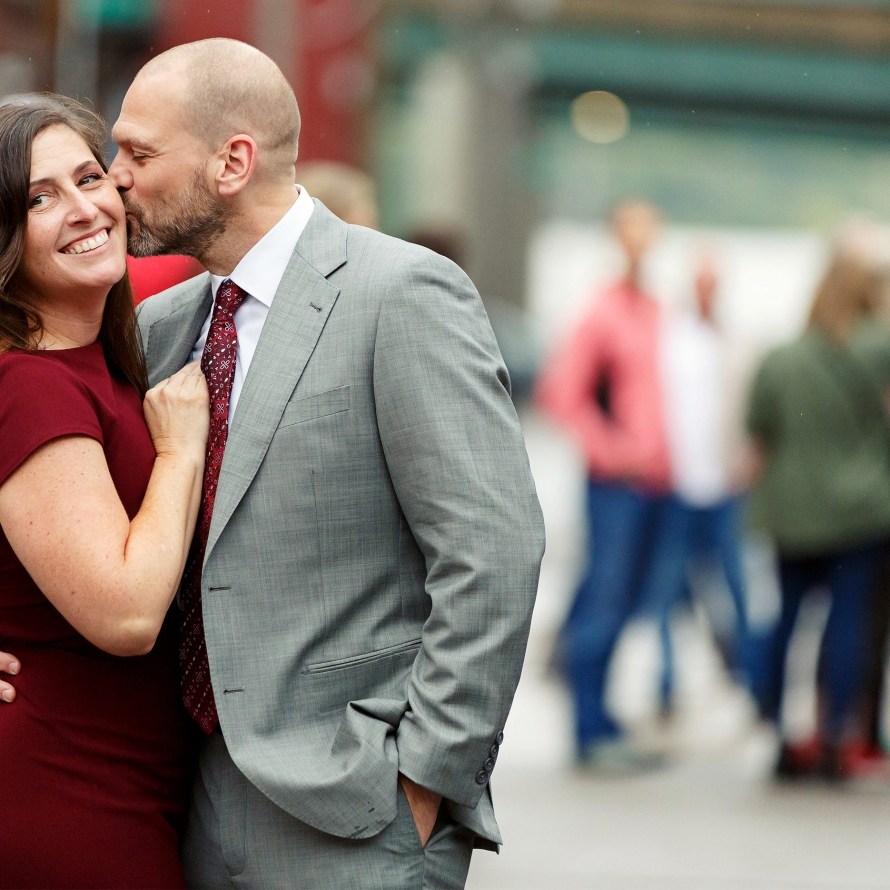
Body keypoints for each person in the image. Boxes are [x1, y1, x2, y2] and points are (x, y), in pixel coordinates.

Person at [0, 40, 544, 888]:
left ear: (232, 162)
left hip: (356, 818)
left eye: (137, 154)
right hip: (181, 810)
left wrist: (426, 780)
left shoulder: (401, 294)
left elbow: (493, 550)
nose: (117, 181)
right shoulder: (158, 327)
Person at [0, 96, 209, 887]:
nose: (84, 208)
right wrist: (179, 452)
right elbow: (124, 614)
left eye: (89, 178)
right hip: (65, 792)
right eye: (38, 198)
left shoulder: (100, 363)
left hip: (128, 779)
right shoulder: (31, 384)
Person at [535, 200, 670, 770]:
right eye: (632, 230)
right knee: (604, 597)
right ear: (616, 236)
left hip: (659, 484)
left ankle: (605, 717)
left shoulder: (657, 309)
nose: (642, 241)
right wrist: (614, 450)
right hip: (616, 483)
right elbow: (561, 393)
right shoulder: (602, 311)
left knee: (630, 599)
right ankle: (588, 730)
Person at [746, 250, 890, 780]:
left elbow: (758, 430)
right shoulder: (879, 350)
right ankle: (835, 737)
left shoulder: (780, 357)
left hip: (792, 511)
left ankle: (778, 732)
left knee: (785, 621)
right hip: (861, 510)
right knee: (848, 623)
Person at [642, 254, 754, 710]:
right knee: (666, 592)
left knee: (737, 588)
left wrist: (745, 464)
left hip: (724, 487)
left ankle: (750, 675)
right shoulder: (668, 338)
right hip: (676, 487)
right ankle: (667, 680)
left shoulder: (736, 342)